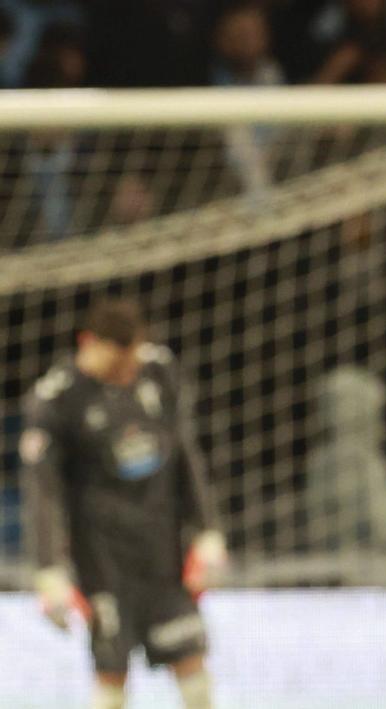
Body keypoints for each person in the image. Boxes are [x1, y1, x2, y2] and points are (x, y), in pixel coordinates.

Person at [19, 299, 226, 709]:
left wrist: (208, 532)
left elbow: (185, 453)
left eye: (132, 359)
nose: (127, 371)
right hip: (101, 561)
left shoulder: (158, 371)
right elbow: (43, 492)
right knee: (112, 680)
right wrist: (49, 571)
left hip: (163, 554)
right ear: (87, 343)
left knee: (193, 673)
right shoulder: (56, 399)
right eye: (118, 363)